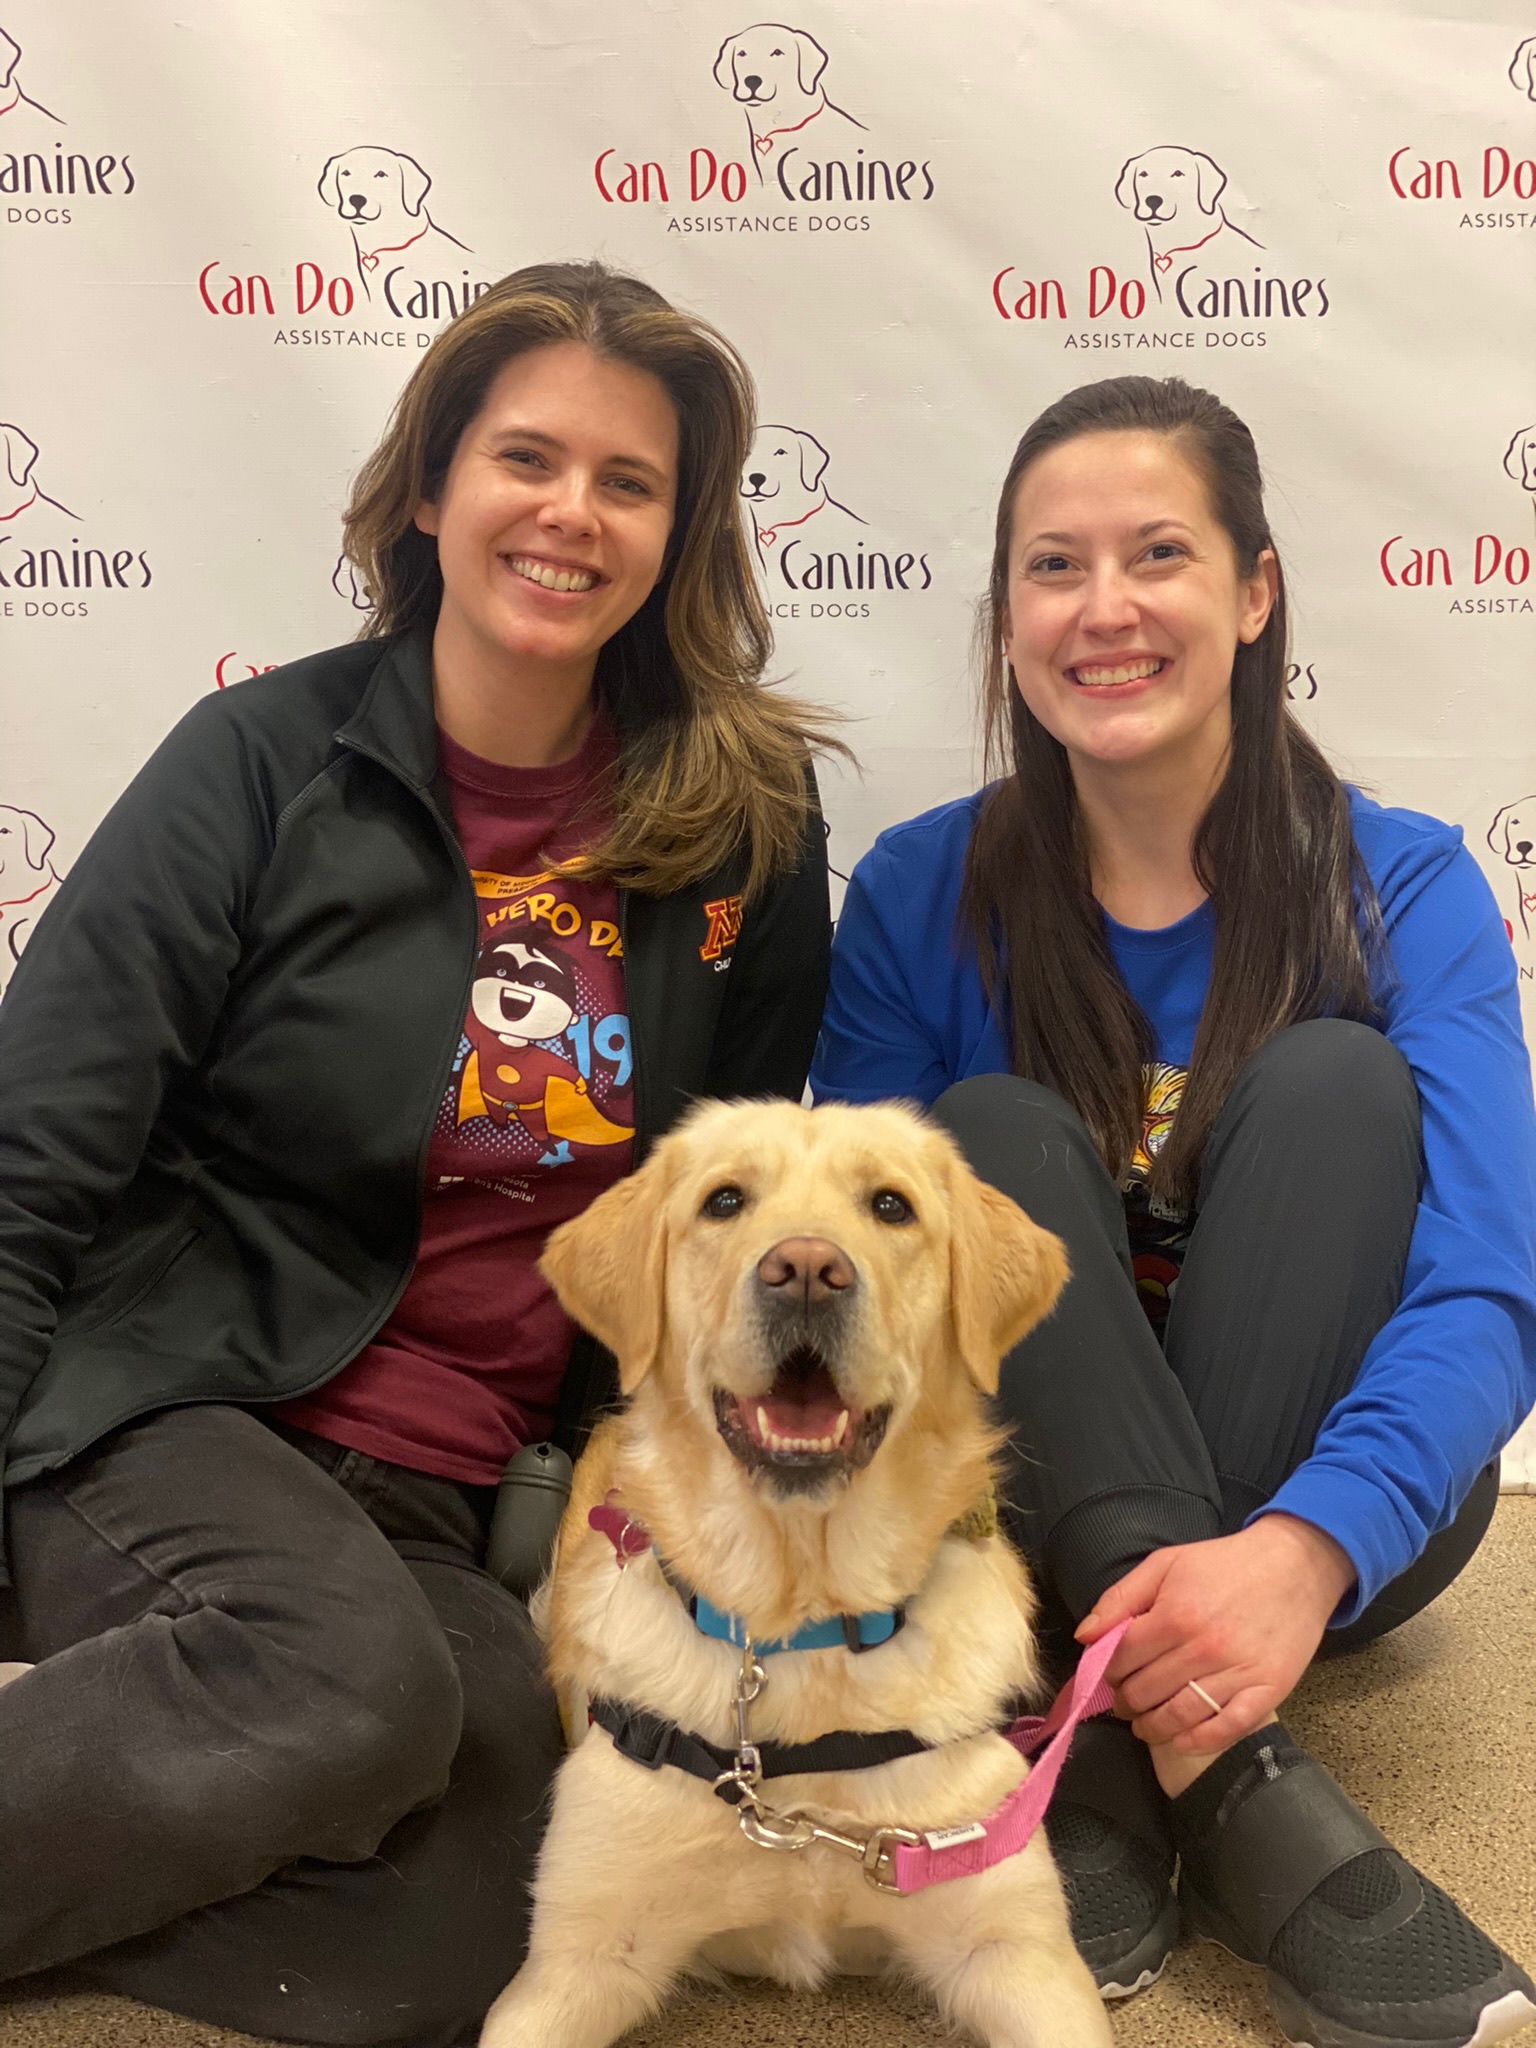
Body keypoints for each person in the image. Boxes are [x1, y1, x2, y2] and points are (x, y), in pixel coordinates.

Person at [0, 260, 835, 2048]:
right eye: (526, 457)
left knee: (511, 1923)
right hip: (184, 1404)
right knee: (348, 1699)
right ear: (435, 485)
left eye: (630, 481)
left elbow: (723, 1222)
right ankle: (171, 1709)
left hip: (462, 1493)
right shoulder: (259, 761)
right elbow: (33, 1156)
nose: (570, 513)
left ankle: (123, 1753)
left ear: (679, 534)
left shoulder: (743, 827)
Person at [812, 376, 1536, 2048]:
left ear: (1255, 591)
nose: (1106, 607)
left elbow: (1492, 1283)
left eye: (1159, 554)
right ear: (1008, 622)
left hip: (1342, 1522)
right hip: (1008, 1514)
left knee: (1342, 1088)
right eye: (1054, 568)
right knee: (974, 1138)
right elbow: (853, 1293)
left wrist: (1304, 1545)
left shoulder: (1402, 877)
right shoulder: (923, 888)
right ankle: (1207, 1761)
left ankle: (1110, 1741)